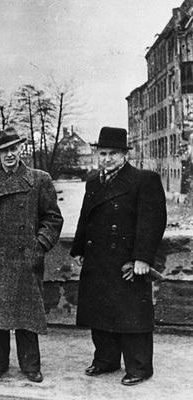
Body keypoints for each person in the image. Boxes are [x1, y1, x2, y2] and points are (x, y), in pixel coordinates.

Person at [0, 127, 63, 383]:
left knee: (27, 316)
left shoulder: (39, 179)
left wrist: (39, 246)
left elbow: (52, 219)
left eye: (13, 148)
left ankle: (30, 365)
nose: (9, 154)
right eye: (3, 150)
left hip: (26, 258)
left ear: (21, 149)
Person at [70, 127, 166, 386]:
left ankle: (139, 367)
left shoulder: (143, 180)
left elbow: (152, 221)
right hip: (97, 258)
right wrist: (79, 248)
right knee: (100, 311)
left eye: (113, 153)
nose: (108, 158)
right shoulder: (93, 181)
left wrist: (142, 258)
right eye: (103, 153)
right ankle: (106, 359)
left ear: (125, 154)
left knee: (132, 315)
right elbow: (86, 217)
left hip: (127, 261)